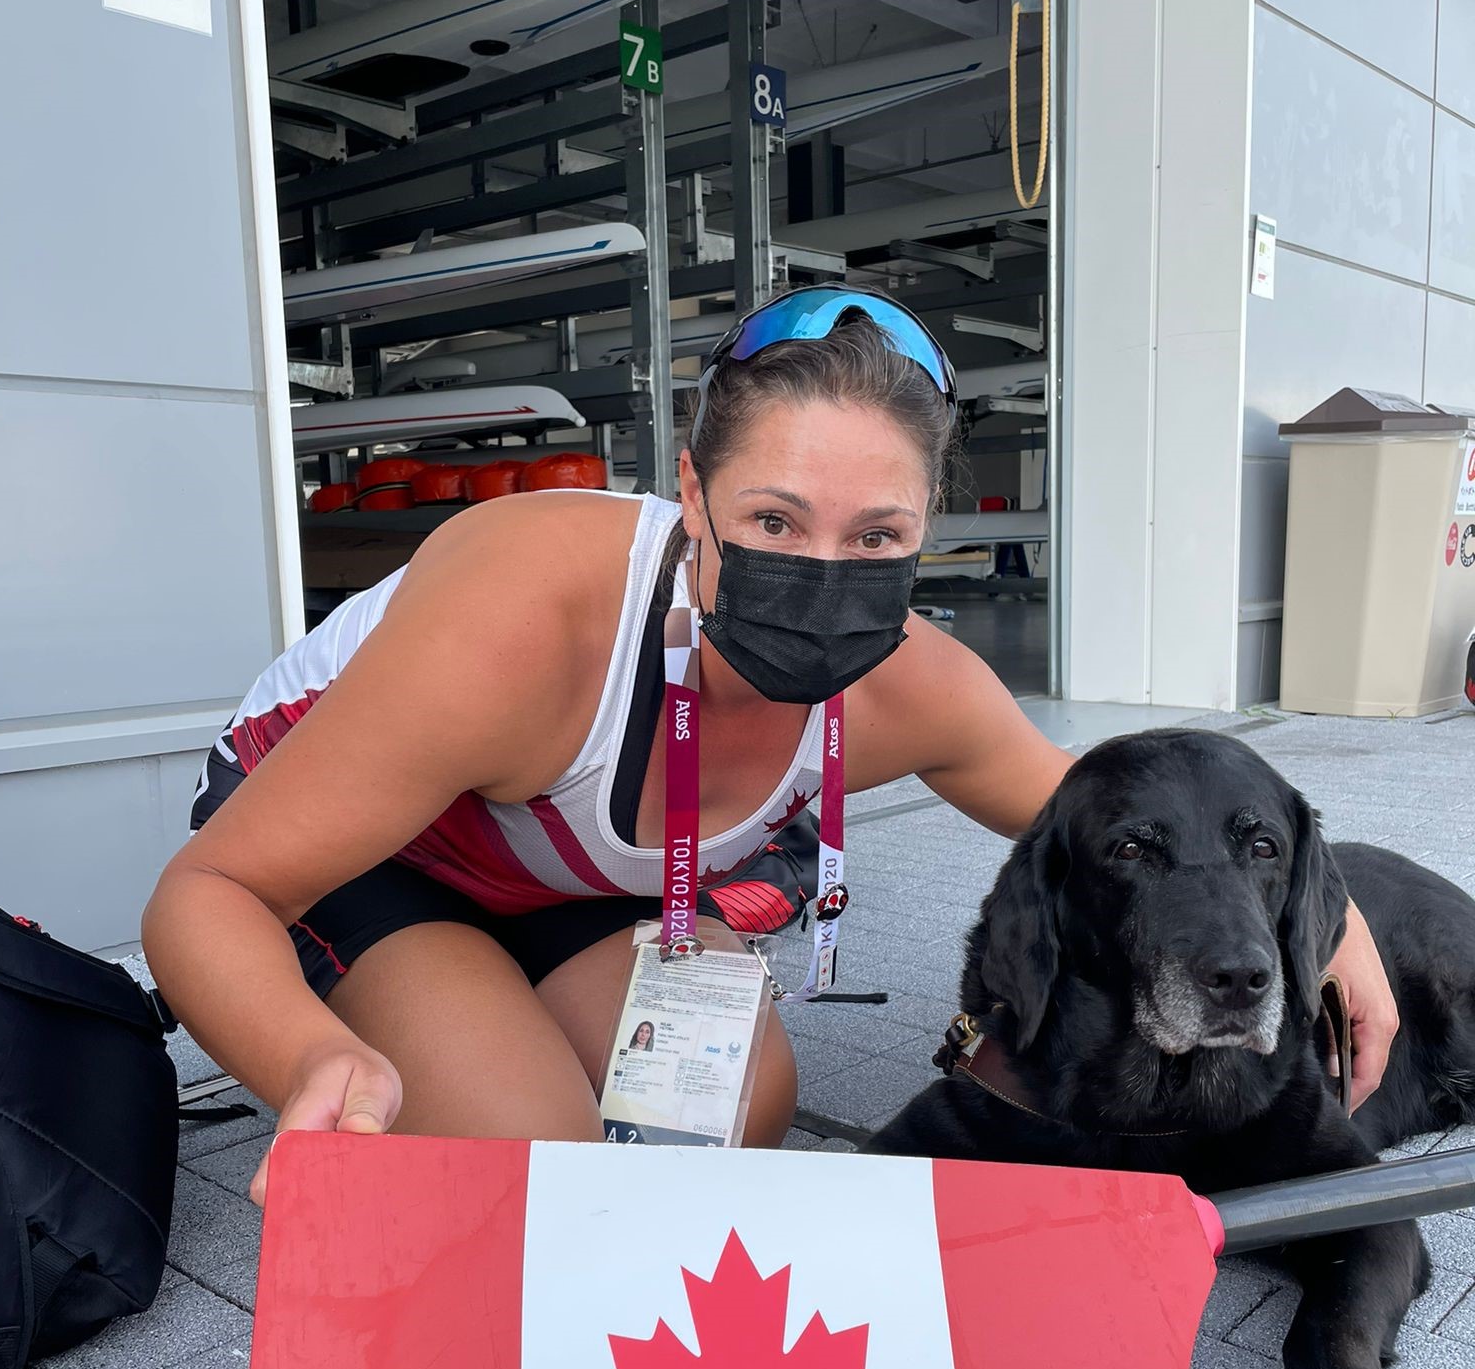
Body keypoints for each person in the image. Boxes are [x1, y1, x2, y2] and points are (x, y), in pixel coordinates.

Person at [144, 289, 1398, 1204]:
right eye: (774, 518)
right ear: (690, 496)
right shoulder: (520, 616)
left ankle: (494, 1008)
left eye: (875, 536)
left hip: (585, 877)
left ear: (925, 535)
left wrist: (1336, 931)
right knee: (548, 1189)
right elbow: (207, 896)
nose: (824, 570)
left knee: (738, 1115)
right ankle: (422, 1009)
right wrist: (312, 1056)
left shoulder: (919, 688)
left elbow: (1129, 817)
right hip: (372, 851)